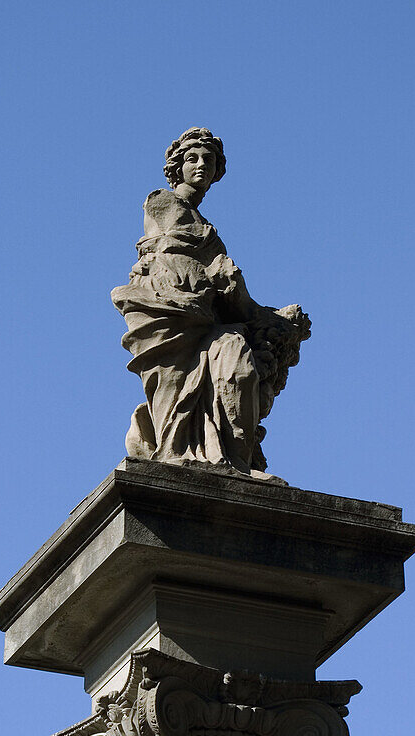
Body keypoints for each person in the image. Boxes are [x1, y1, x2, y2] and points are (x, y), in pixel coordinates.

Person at [111, 127, 309, 476]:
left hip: (208, 317)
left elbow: (229, 288)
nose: (201, 165)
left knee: (239, 368)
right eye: (192, 159)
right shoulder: (163, 201)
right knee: (172, 389)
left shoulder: (205, 224)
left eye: (209, 160)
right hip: (168, 316)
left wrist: (273, 319)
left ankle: (234, 462)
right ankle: (173, 449)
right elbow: (208, 266)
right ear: (177, 167)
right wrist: (232, 286)